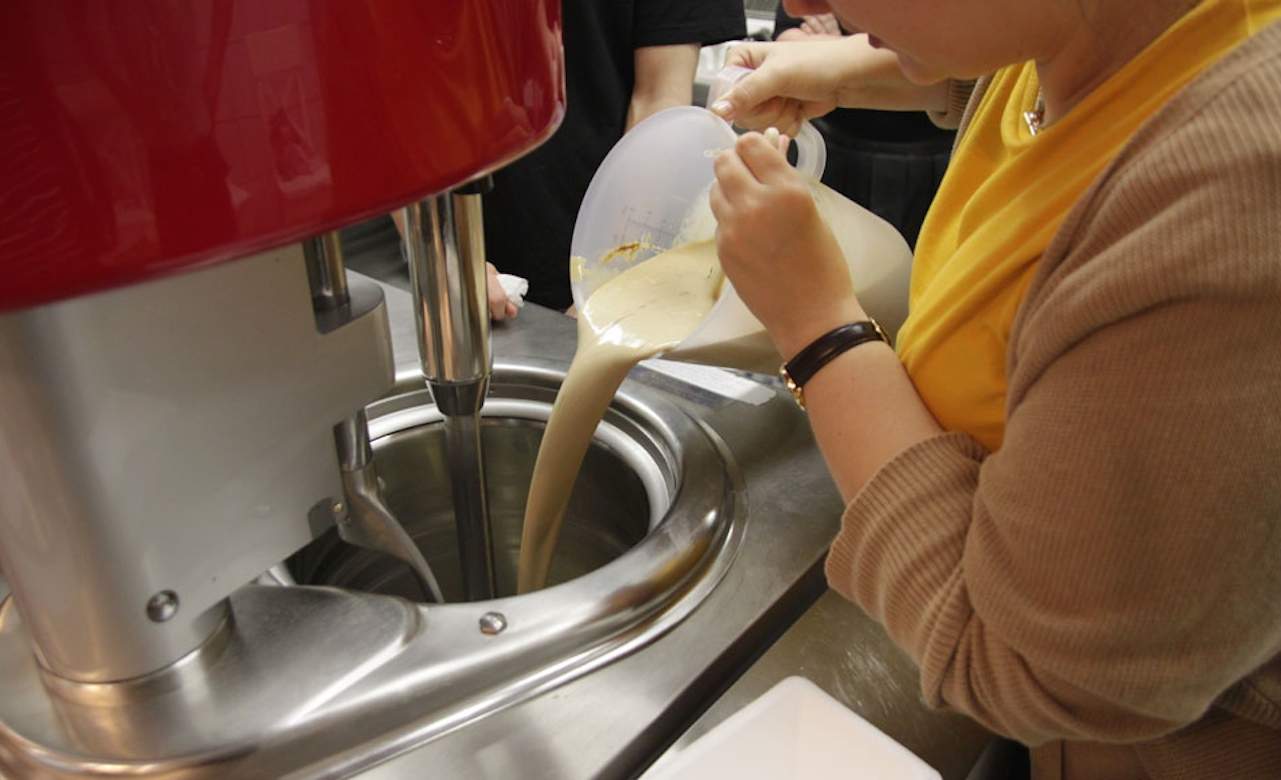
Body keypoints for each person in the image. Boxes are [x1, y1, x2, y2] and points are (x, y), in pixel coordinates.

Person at [707, 0, 1281, 777]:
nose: (805, 4)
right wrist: (863, 70)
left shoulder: (1228, 204)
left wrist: (815, 326)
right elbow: (1041, 73)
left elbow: (1029, 669)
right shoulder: (1106, 37)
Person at [480, 0, 746, 314]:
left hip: (598, 235)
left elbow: (658, 98)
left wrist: (612, 274)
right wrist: (445, 254)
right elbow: (410, 94)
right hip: (452, 235)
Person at [773, 9, 954, 248]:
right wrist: (855, 51)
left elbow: (943, 56)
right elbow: (789, 46)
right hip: (830, 145)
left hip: (936, 154)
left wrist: (835, 49)